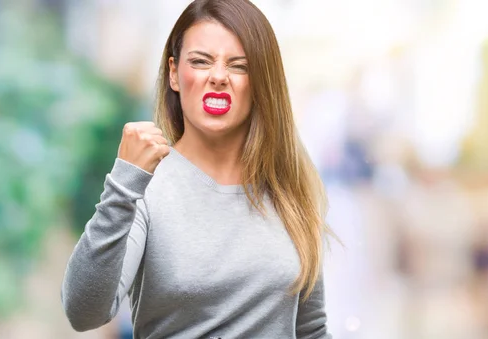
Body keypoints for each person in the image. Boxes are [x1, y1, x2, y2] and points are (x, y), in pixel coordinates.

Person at [61, 1, 334, 338]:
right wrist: (122, 184)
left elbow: (311, 330)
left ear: (261, 79)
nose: (218, 76)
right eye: (201, 61)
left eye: (238, 65)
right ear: (174, 73)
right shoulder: (144, 188)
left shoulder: (289, 189)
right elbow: (83, 312)